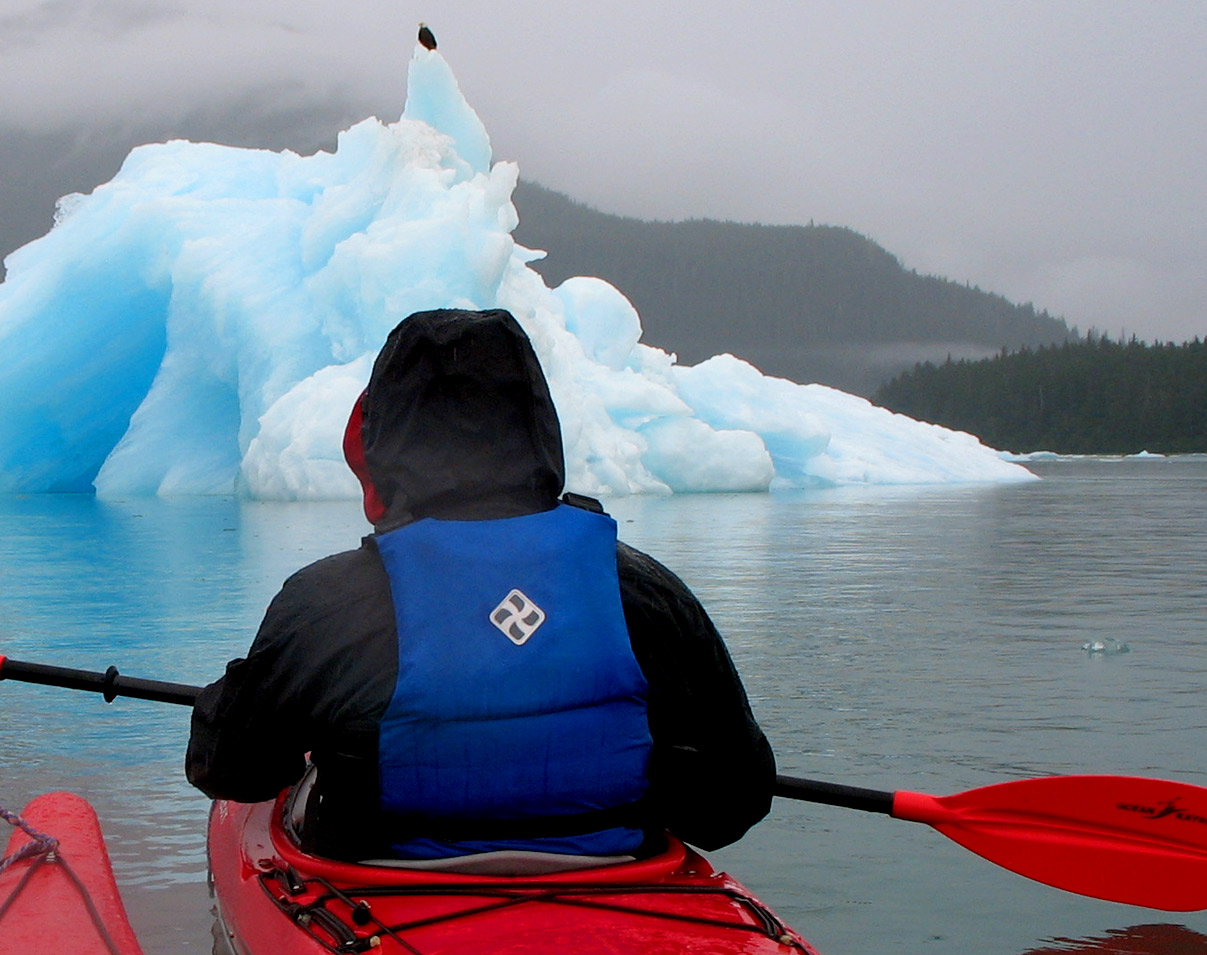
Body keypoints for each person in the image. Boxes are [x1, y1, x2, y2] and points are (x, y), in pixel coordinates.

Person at [187, 308, 773, 864]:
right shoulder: (643, 593)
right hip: (615, 882)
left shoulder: (330, 603)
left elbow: (228, 769)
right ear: (538, 425)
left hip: (383, 898)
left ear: (387, 435)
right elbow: (731, 805)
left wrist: (246, 707)